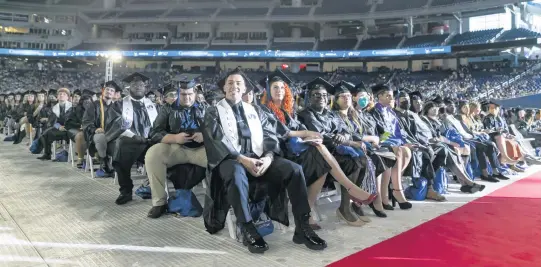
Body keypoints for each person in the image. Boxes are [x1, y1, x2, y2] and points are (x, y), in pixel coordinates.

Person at [202, 68, 327, 254]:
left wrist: (268, 158)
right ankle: (247, 228)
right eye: (230, 83)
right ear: (224, 88)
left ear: (245, 88)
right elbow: (217, 140)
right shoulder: (213, 112)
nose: (234, 86)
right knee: (236, 173)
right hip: (230, 160)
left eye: (238, 83)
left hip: (260, 158)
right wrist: (243, 159)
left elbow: (271, 136)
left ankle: (302, 227)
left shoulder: (256, 110)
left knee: (294, 170)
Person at [260, 72, 377, 228]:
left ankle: (312, 211)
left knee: (322, 157)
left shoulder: (288, 110)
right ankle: (350, 189)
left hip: (298, 151)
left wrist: (310, 135)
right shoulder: (265, 110)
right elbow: (281, 132)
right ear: (268, 90)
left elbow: (299, 129)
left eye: (282, 87)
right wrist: (306, 133)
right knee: (320, 154)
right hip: (280, 153)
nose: (279, 90)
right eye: (275, 87)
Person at [145, 74, 208, 218]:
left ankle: (218, 202)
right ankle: (159, 202)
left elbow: (217, 131)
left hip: (201, 149)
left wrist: (205, 136)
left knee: (223, 158)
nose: (187, 98)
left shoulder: (206, 108)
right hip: (176, 148)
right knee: (153, 154)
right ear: (178, 93)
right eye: (183, 94)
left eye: (190, 94)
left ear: (195, 93)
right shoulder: (168, 109)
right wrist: (174, 137)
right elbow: (154, 133)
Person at [105, 72, 159, 205]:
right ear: (129, 88)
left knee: (164, 150)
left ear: (145, 88)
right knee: (120, 150)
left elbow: (159, 125)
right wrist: (134, 136)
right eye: (134, 84)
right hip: (129, 142)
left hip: (149, 142)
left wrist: (153, 137)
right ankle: (126, 191)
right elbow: (116, 125)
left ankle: (154, 188)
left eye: (141, 84)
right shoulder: (119, 105)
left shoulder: (153, 105)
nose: (138, 87)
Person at [394, 91, 447, 201]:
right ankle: (429, 188)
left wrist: (424, 142)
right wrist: (407, 143)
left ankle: (428, 185)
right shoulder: (394, 114)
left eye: (408, 99)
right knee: (424, 154)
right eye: (403, 100)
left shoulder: (410, 115)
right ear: (397, 101)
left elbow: (417, 132)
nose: (407, 102)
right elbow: (398, 133)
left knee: (438, 151)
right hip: (402, 144)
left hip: (415, 142)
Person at [368, 84, 413, 210]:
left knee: (407, 151)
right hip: (380, 143)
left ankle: (392, 187)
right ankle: (396, 190)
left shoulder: (390, 112)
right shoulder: (374, 112)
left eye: (392, 96)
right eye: (387, 96)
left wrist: (404, 142)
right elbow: (379, 133)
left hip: (392, 143)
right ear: (379, 96)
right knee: (398, 150)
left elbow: (398, 133)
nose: (391, 99)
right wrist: (394, 142)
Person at [82, 81, 120, 177]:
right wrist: (95, 129)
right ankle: (104, 164)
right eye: (107, 89)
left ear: (114, 94)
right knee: (101, 137)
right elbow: (87, 121)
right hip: (96, 134)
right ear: (103, 91)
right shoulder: (93, 105)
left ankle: (118, 166)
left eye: (112, 90)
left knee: (121, 142)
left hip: (112, 136)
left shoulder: (117, 107)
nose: (109, 91)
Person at [37, 87, 73, 160]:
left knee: (47, 133)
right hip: (59, 128)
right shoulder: (54, 108)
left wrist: (67, 126)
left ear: (67, 97)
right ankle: (47, 154)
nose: (61, 95)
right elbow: (53, 121)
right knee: (44, 134)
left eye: (64, 94)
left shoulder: (72, 107)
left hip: (70, 128)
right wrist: (59, 127)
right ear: (57, 97)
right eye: (60, 94)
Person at [65, 95, 93, 168]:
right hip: (75, 129)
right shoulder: (73, 109)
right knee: (81, 135)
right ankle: (80, 158)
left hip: (89, 129)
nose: (87, 104)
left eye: (89, 102)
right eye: (85, 102)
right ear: (81, 102)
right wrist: (79, 125)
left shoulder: (94, 110)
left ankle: (97, 158)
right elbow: (68, 123)